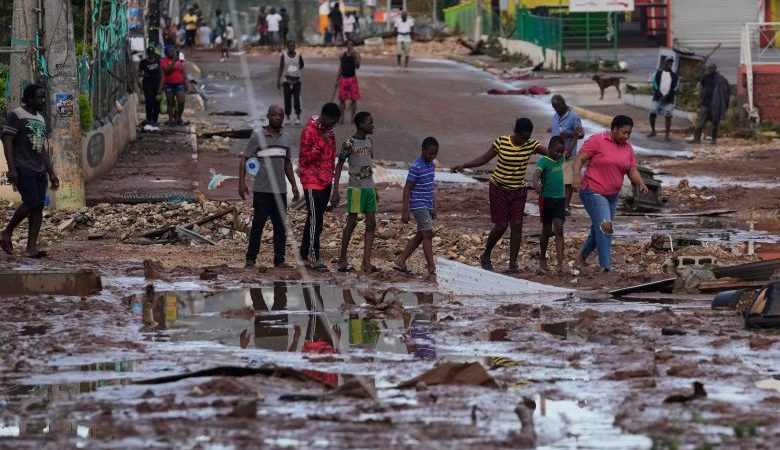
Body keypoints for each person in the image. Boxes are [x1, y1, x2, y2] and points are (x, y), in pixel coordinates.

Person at [451, 118, 546, 273]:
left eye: (527, 137)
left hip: (518, 190)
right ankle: (486, 255)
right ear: (515, 131)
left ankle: (513, 263)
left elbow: (551, 153)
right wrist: (464, 165)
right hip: (498, 188)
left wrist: (564, 149)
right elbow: (484, 158)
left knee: (517, 225)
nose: (524, 141)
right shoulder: (501, 142)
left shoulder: (531, 144)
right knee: (501, 225)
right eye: (522, 137)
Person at [572, 115, 648, 272]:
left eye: (629, 133)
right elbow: (579, 159)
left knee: (598, 228)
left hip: (612, 195)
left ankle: (581, 257)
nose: (626, 136)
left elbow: (631, 169)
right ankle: (605, 267)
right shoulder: (597, 140)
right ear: (614, 129)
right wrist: (575, 176)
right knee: (606, 226)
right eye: (623, 132)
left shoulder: (627, 148)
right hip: (592, 190)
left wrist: (640, 182)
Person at [1, 84, 60, 258]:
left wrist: (51, 173)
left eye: (43, 97)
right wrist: (12, 169)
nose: (42, 101)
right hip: (22, 167)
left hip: (39, 170)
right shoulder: (16, 115)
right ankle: (6, 232)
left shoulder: (41, 119)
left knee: (38, 207)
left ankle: (31, 248)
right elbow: (7, 140)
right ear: (28, 98)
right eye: (38, 97)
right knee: (32, 202)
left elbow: (41, 149)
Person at [240, 105, 300, 268]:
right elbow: (244, 159)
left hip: (280, 191)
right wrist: (242, 182)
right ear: (267, 116)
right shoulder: (257, 137)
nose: (277, 117)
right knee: (258, 226)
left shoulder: (286, 138)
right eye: (274, 115)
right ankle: (250, 259)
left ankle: (279, 260)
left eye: (280, 115)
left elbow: (287, 163)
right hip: (262, 190)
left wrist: (294, 185)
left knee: (280, 227)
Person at [331, 112, 377, 273]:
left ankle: (366, 262)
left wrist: (375, 189)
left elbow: (368, 167)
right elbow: (338, 166)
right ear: (361, 124)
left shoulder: (370, 142)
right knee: (351, 223)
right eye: (370, 123)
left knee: (371, 223)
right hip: (356, 189)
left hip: (369, 188)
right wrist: (335, 190)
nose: (372, 126)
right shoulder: (349, 143)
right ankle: (343, 259)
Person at [298, 103, 342, 271]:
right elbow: (304, 159)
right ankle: (312, 257)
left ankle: (305, 255)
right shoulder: (309, 131)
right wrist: (320, 143)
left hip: (325, 181)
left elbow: (331, 158)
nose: (333, 125)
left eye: (335, 123)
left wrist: (331, 182)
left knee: (317, 219)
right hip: (311, 181)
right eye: (332, 121)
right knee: (315, 219)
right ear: (323, 115)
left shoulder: (331, 132)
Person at [394, 137, 440, 277]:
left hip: (427, 204)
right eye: (430, 154)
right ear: (423, 150)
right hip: (418, 204)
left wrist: (434, 205)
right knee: (427, 234)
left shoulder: (431, 166)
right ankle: (431, 266)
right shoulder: (416, 167)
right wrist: (405, 210)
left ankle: (401, 259)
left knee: (421, 234)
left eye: (435, 154)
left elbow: (430, 186)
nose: (432, 157)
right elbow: (407, 189)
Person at [533, 136, 566, 275]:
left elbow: (568, 150)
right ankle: (542, 259)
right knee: (546, 229)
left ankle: (560, 264)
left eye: (561, 152)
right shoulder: (543, 160)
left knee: (559, 228)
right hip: (546, 199)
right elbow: (537, 174)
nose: (559, 154)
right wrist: (536, 184)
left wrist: (576, 137)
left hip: (560, 199)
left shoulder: (561, 158)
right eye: (556, 151)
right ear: (550, 148)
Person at [550, 94, 583, 214]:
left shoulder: (574, 117)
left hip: (568, 153)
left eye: (558, 107)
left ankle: (566, 206)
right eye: (554, 107)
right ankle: (557, 204)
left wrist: (568, 134)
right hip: (554, 153)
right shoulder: (555, 116)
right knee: (556, 180)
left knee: (567, 182)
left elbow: (581, 134)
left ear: (564, 104)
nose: (556, 110)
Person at [692, 64, 730, 145]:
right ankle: (696, 138)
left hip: (715, 104)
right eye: (709, 68)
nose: (710, 70)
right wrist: (699, 101)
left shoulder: (721, 79)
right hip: (705, 103)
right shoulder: (705, 77)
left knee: (715, 123)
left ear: (715, 69)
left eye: (712, 68)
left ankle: (713, 140)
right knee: (700, 121)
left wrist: (724, 105)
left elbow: (726, 93)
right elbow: (701, 89)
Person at [648, 58, 679, 141]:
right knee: (652, 113)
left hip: (669, 99)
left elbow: (675, 88)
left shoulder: (674, 75)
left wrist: (667, 96)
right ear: (664, 63)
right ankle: (653, 130)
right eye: (668, 62)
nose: (669, 64)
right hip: (657, 98)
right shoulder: (657, 73)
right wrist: (660, 95)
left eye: (671, 63)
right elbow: (654, 84)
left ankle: (667, 135)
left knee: (668, 116)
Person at [161, 44, 191, 126]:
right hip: (169, 84)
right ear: (167, 53)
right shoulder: (164, 61)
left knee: (181, 101)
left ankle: (178, 118)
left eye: (173, 51)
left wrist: (187, 83)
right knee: (170, 103)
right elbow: (167, 70)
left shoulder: (179, 61)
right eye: (171, 51)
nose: (173, 53)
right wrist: (173, 61)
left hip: (179, 84)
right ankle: (171, 120)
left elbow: (183, 72)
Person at [278, 40, 304, 125]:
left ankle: (298, 116)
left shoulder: (299, 56)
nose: (292, 47)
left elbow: (302, 65)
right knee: (287, 99)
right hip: (286, 81)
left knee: (297, 99)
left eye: (293, 46)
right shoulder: (284, 56)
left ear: (295, 47)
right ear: (287, 47)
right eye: (290, 46)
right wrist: (278, 80)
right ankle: (288, 117)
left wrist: (295, 70)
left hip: (297, 81)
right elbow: (281, 67)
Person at [335, 40, 361, 124]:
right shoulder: (343, 55)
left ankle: (352, 118)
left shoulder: (356, 54)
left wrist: (355, 58)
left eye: (351, 44)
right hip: (343, 79)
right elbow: (341, 68)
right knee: (342, 100)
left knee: (354, 100)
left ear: (353, 46)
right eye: (348, 44)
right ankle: (341, 118)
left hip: (352, 79)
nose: (350, 46)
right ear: (346, 46)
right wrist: (337, 80)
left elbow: (357, 66)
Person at [139, 46, 162, 127]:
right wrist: (143, 74)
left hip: (157, 84)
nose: (151, 55)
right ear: (147, 54)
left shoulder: (158, 61)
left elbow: (161, 72)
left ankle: (155, 119)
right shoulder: (143, 62)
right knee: (149, 101)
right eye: (149, 54)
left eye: (152, 54)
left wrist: (161, 86)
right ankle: (149, 119)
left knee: (157, 102)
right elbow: (139, 72)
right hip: (148, 84)